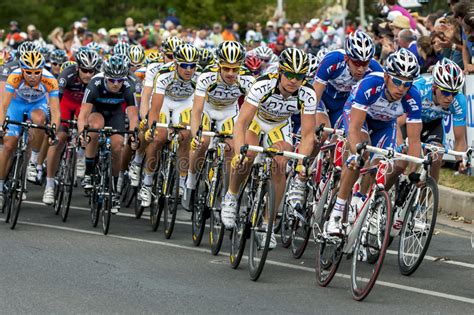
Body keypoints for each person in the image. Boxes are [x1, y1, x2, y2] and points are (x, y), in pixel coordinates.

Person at [221, 48, 317, 249]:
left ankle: (267, 224)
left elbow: (308, 134)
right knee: (248, 154)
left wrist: (301, 164)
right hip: (255, 121)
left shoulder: (308, 94)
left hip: (279, 126)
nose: (293, 80)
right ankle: (231, 195)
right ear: (281, 71)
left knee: (280, 163)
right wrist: (239, 151)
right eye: (289, 74)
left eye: (299, 76)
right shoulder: (263, 84)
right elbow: (241, 123)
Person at [326, 48, 422, 234]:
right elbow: (354, 128)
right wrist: (357, 154)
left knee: (388, 164)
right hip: (359, 119)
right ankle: (336, 214)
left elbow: (415, 140)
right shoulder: (371, 84)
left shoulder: (412, 96)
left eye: (407, 84)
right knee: (361, 157)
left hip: (384, 125)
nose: (401, 89)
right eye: (397, 81)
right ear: (386, 77)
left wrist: (412, 172)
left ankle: (364, 200)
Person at [182, 41, 255, 209]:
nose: (231, 73)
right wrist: (196, 135)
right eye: (226, 68)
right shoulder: (206, 76)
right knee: (204, 141)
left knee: (231, 148)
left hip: (229, 111)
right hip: (208, 109)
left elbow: (251, 112)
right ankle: (191, 180)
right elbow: (196, 110)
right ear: (218, 65)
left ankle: (225, 190)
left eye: (235, 69)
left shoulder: (248, 80)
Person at [139, 44, 199, 207]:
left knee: (186, 136)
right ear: (176, 64)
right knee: (159, 137)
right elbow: (156, 105)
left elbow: (199, 106)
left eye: (192, 66)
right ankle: (147, 182)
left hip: (184, 103)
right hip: (165, 101)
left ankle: (181, 182)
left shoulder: (199, 76)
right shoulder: (164, 74)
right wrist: (152, 128)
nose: (189, 70)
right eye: (185, 66)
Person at [0, 51, 60, 207]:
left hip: (36, 105)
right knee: (8, 145)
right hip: (16, 105)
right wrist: (1, 125)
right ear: (22, 70)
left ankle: (33, 161)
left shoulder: (50, 79)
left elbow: (55, 111)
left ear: (42, 70)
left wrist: (53, 129)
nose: (33, 76)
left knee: (39, 119)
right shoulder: (15, 76)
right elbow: (4, 105)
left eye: (36, 72)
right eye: (28, 72)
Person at [78, 55, 136, 213]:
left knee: (117, 146)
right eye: (112, 80)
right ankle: (89, 171)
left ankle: (114, 187)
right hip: (97, 111)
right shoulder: (95, 83)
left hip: (115, 113)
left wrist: (133, 134)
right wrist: (82, 133)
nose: (116, 84)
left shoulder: (128, 86)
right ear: (105, 77)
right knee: (95, 127)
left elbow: (132, 116)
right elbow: (83, 115)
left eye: (119, 80)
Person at [404, 58, 467, 180]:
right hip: (409, 120)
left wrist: (460, 161)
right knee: (402, 163)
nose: (450, 98)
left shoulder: (459, 101)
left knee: (437, 156)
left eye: (454, 93)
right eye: (445, 92)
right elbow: (398, 120)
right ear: (434, 88)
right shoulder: (418, 89)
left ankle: (429, 194)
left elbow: (460, 139)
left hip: (433, 124)